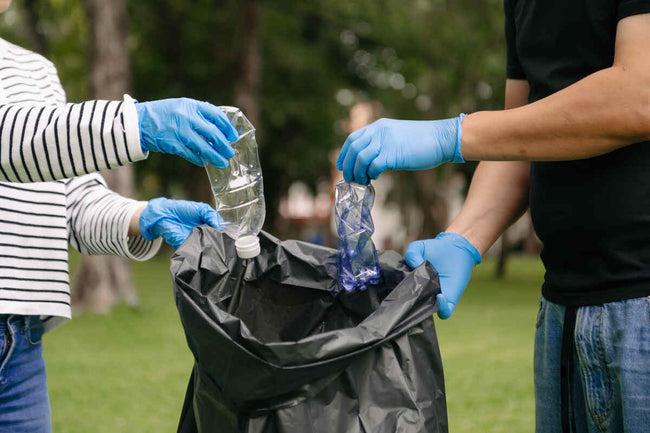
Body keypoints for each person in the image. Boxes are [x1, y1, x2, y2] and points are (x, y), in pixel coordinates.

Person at [338, 1, 650, 432]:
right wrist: (464, 238)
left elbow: (640, 95)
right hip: (564, 310)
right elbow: (521, 137)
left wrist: (453, 134)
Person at [0, 1, 239, 431]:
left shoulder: (34, 70)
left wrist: (143, 214)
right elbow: (11, 141)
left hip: (20, 348)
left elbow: (73, 200)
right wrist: (137, 123)